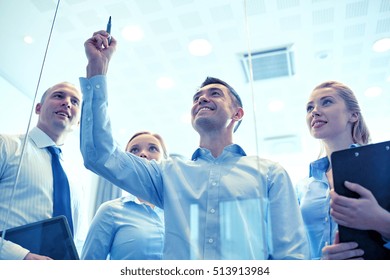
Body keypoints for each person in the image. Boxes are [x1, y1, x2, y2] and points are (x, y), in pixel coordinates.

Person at [79, 30, 309, 260]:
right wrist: (97, 70)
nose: (202, 99)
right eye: (197, 97)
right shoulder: (167, 175)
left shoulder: (270, 174)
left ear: (237, 113)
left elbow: (291, 256)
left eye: (215, 94)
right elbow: (100, 155)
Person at [295, 80, 390, 260]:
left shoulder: (384, 167)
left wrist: (381, 221)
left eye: (327, 102)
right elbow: (295, 251)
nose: (314, 111)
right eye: (309, 108)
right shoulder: (303, 186)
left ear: (353, 115)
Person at [0, 82, 83, 260]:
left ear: (78, 123)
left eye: (75, 101)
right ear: (38, 108)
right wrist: (21, 257)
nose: (67, 103)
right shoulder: (5, 146)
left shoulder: (75, 179)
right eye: (59, 96)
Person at [81, 131, 166, 260]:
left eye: (153, 148)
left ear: (166, 161)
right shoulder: (110, 211)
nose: (143, 153)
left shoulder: (181, 212)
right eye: (134, 150)